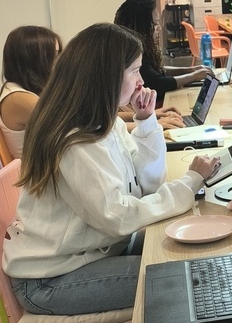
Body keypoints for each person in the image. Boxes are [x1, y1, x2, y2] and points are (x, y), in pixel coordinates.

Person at [2, 23, 220, 315]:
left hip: (91, 253)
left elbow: (148, 185)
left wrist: (145, 121)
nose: (141, 80)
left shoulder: (106, 123)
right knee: (183, 278)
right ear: (108, 75)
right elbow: (118, 217)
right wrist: (188, 183)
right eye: (134, 71)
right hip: (50, 279)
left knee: (195, 245)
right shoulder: (74, 140)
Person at [114, 0, 210, 103]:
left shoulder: (137, 48)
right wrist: (193, 76)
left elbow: (157, 71)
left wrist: (191, 70)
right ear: (141, 26)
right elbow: (156, 83)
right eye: (155, 24)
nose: (159, 28)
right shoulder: (131, 52)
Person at [0, 25, 62, 160]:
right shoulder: (17, 98)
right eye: (55, 55)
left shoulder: (22, 91)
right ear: (33, 59)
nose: (59, 62)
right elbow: (72, 123)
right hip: (37, 178)